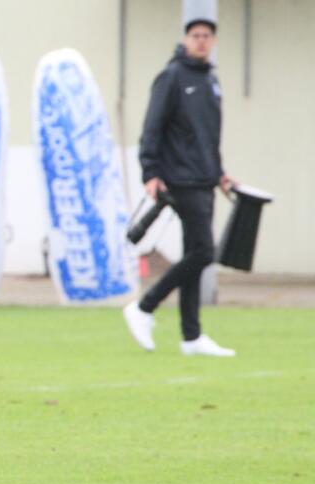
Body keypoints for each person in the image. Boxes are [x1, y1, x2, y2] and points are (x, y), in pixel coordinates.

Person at [123, 17, 237, 357]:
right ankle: (143, 307)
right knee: (204, 252)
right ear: (186, 39)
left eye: (206, 36)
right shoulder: (172, 76)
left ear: (213, 41)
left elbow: (208, 138)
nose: (201, 40)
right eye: (195, 35)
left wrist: (219, 173)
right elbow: (152, 127)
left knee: (194, 255)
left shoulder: (211, 81)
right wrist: (150, 172)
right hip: (179, 178)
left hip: (204, 180)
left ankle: (192, 336)